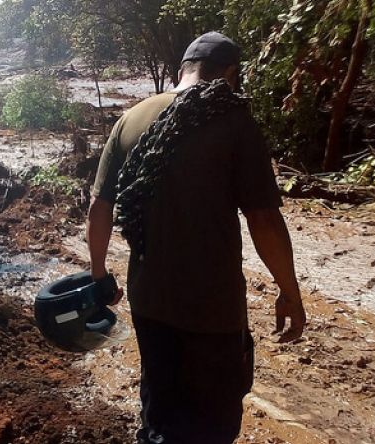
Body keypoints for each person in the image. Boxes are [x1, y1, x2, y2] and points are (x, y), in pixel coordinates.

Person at [86, 32, 306, 444]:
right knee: (213, 424)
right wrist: (289, 290)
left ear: (182, 70)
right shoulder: (233, 122)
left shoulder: (131, 119)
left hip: (149, 305)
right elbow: (263, 220)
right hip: (212, 314)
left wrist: (99, 275)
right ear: (229, 74)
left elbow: (100, 208)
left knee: (160, 416)